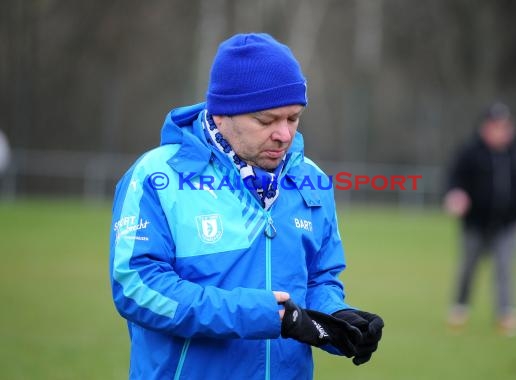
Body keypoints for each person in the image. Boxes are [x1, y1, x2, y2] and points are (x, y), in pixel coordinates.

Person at [110, 33, 383, 379]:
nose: (284, 134)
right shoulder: (155, 177)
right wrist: (256, 313)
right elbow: (137, 287)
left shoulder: (310, 180)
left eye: (293, 118)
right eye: (267, 121)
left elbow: (319, 279)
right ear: (222, 114)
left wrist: (336, 319)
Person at [443, 102, 516, 337]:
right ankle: (460, 308)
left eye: (505, 126)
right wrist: (456, 195)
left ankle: (506, 314)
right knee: (468, 267)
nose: (501, 131)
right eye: (496, 126)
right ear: (485, 127)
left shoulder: (514, 154)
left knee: (504, 267)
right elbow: (454, 179)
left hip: (507, 224)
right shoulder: (470, 152)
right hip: (476, 223)